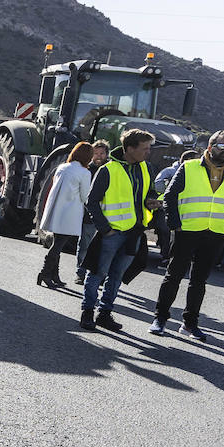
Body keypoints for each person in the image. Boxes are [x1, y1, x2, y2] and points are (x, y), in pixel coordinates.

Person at [148, 131, 224, 340]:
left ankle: (190, 324)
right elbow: (170, 196)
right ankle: (160, 319)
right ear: (210, 147)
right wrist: (175, 224)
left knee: (199, 281)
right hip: (187, 231)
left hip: (216, 233)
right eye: (222, 146)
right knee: (173, 276)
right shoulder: (189, 167)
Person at [80, 129, 158, 332]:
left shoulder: (146, 168)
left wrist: (150, 202)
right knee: (98, 273)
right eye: (144, 148)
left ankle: (104, 314)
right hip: (112, 234)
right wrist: (105, 230)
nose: (148, 152)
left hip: (134, 233)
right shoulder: (108, 170)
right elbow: (92, 202)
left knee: (116, 276)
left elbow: (148, 192)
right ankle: (87, 311)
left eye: (149, 148)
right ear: (130, 149)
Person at [36, 141, 93, 288]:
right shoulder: (85, 173)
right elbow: (84, 195)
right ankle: (45, 273)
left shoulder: (62, 167)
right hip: (70, 213)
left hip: (56, 210)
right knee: (58, 245)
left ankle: (54, 275)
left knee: (57, 243)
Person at [74, 139, 112, 284]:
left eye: (102, 153)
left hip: (106, 216)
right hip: (88, 216)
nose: (98, 156)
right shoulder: (86, 170)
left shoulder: (110, 171)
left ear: (106, 154)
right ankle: (80, 273)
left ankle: (99, 275)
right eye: (96, 153)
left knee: (103, 249)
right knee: (84, 245)